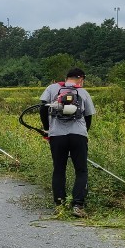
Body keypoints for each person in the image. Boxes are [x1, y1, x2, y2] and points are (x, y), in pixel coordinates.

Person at [39, 67, 96, 217]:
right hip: (78, 135)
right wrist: (85, 134)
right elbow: (89, 116)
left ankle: (60, 205)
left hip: (57, 135)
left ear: (67, 78)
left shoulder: (52, 88)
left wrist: (47, 129)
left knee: (59, 169)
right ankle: (78, 205)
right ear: (80, 79)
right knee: (81, 170)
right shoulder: (83, 92)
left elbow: (42, 109)